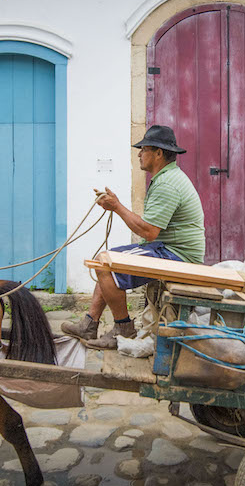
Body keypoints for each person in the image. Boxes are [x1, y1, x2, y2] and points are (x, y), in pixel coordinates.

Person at [62, 125, 205, 349]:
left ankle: (123, 329)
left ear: (158, 153)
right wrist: (116, 206)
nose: (139, 153)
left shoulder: (168, 183)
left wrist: (116, 206)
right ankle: (90, 324)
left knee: (105, 263)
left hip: (176, 255)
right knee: (107, 259)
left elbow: (148, 231)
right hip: (166, 248)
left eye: (143, 149)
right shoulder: (167, 178)